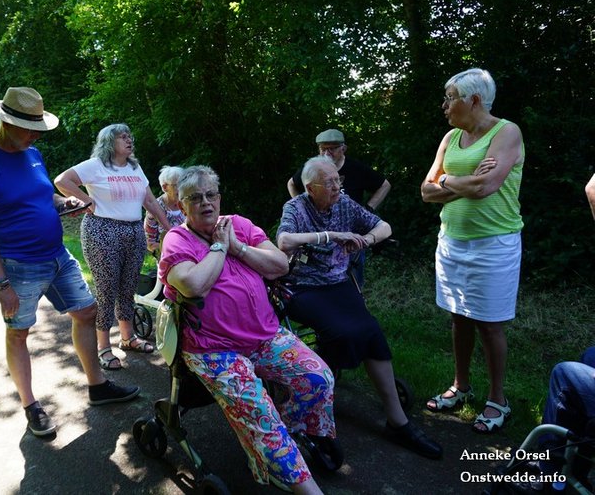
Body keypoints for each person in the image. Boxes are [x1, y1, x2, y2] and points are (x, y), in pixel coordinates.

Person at [0, 87, 140, 437]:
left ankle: (97, 386)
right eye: (30, 129)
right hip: (18, 267)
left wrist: (65, 204)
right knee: (18, 333)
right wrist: (2, 285)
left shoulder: (32, 153)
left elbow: (46, 197)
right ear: (6, 123)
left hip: (57, 256)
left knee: (87, 311)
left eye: (38, 129)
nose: (36, 135)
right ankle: (31, 406)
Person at [159, 165, 338, 494]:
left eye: (211, 195)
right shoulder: (177, 239)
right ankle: (294, 472)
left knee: (319, 379)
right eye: (195, 198)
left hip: (265, 336)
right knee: (260, 415)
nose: (205, 202)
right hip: (214, 349)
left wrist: (237, 247)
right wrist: (219, 248)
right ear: (182, 206)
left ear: (219, 197)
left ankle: (278, 436)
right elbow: (193, 285)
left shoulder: (238, 225)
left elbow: (279, 265)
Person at [277, 156, 442, 460]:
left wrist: (366, 239)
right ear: (311, 188)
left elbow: (384, 226)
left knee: (371, 331)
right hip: (303, 288)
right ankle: (317, 392)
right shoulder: (296, 207)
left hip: (339, 283)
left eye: (338, 180)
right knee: (341, 332)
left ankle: (398, 422)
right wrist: (331, 235)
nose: (337, 186)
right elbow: (284, 241)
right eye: (329, 182)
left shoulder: (344, 203)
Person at [420, 68, 525, 434]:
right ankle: (461, 386)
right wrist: (463, 180)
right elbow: (426, 191)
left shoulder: (506, 132)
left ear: (474, 100)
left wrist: (448, 180)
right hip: (451, 241)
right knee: (459, 318)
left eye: (450, 98)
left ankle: (498, 399)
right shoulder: (451, 137)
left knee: (490, 324)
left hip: (493, 244)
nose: (445, 105)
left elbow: (486, 188)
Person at [55, 124, 171, 371]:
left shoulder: (134, 167)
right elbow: (62, 180)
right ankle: (103, 347)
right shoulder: (96, 165)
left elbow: (150, 200)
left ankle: (128, 338)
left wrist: (169, 228)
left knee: (128, 287)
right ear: (109, 142)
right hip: (102, 230)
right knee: (107, 290)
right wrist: (85, 200)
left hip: (133, 231)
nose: (129, 140)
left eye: (130, 136)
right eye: (123, 137)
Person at [287, 129, 391, 289]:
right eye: (323, 149)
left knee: (353, 283)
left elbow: (384, 185)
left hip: (350, 239)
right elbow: (292, 183)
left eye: (332, 148)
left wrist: (369, 208)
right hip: (318, 240)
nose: (327, 153)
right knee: (315, 283)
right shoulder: (314, 168)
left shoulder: (356, 169)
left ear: (343, 148)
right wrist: (303, 208)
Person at [144, 165, 185, 253]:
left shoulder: (189, 202)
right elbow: (150, 244)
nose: (182, 188)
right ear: (165, 187)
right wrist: (176, 249)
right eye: (177, 185)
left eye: (184, 184)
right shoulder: (154, 209)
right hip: (169, 255)